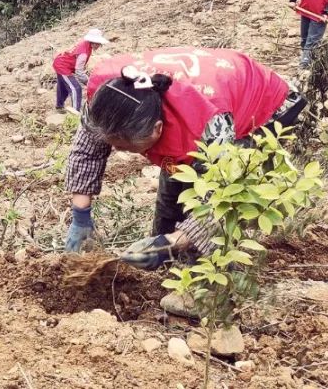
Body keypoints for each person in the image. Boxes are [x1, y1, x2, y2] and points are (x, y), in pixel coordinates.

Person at [63, 47, 305, 310]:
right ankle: (166, 268)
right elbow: (88, 148)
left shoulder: (209, 124)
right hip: (198, 107)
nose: (118, 151)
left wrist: (172, 243)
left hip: (267, 106)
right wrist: (80, 216)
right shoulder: (109, 95)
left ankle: (214, 292)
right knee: (174, 189)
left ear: (157, 129)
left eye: (125, 147)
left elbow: (222, 200)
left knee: (216, 208)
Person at [52, 28, 109, 114]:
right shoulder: (84, 53)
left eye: (99, 44)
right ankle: (75, 114)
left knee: (63, 86)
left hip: (61, 61)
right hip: (63, 66)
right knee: (76, 88)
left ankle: (59, 107)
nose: (99, 46)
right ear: (92, 42)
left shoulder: (85, 44)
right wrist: (89, 82)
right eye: (97, 43)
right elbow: (78, 71)